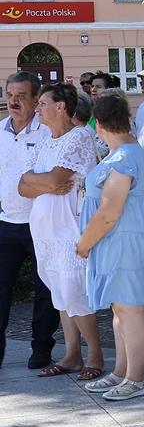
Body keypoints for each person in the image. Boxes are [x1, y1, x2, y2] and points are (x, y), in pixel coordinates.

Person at [75, 92, 144, 401]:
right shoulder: (124, 153)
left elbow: (109, 212)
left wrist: (84, 243)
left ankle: (135, 379)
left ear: (99, 124)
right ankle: (121, 372)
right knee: (121, 308)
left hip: (124, 242)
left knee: (130, 309)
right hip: (119, 242)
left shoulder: (123, 158)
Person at [17, 83, 104, 380]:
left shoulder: (79, 136)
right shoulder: (45, 140)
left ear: (61, 107)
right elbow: (22, 186)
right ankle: (72, 355)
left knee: (74, 291)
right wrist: (38, 180)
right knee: (59, 294)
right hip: (45, 231)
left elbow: (56, 179)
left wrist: (37, 180)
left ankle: (95, 355)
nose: (37, 108)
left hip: (70, 227)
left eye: (42, 103)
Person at [0, 73, 60, 370]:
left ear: (36, 100)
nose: (13, 101)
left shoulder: (48, 132)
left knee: (45, 289)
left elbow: (56, 180)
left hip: (42, 222)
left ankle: (41, 348)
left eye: (21, 95)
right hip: (5, 222)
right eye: (10, 94)